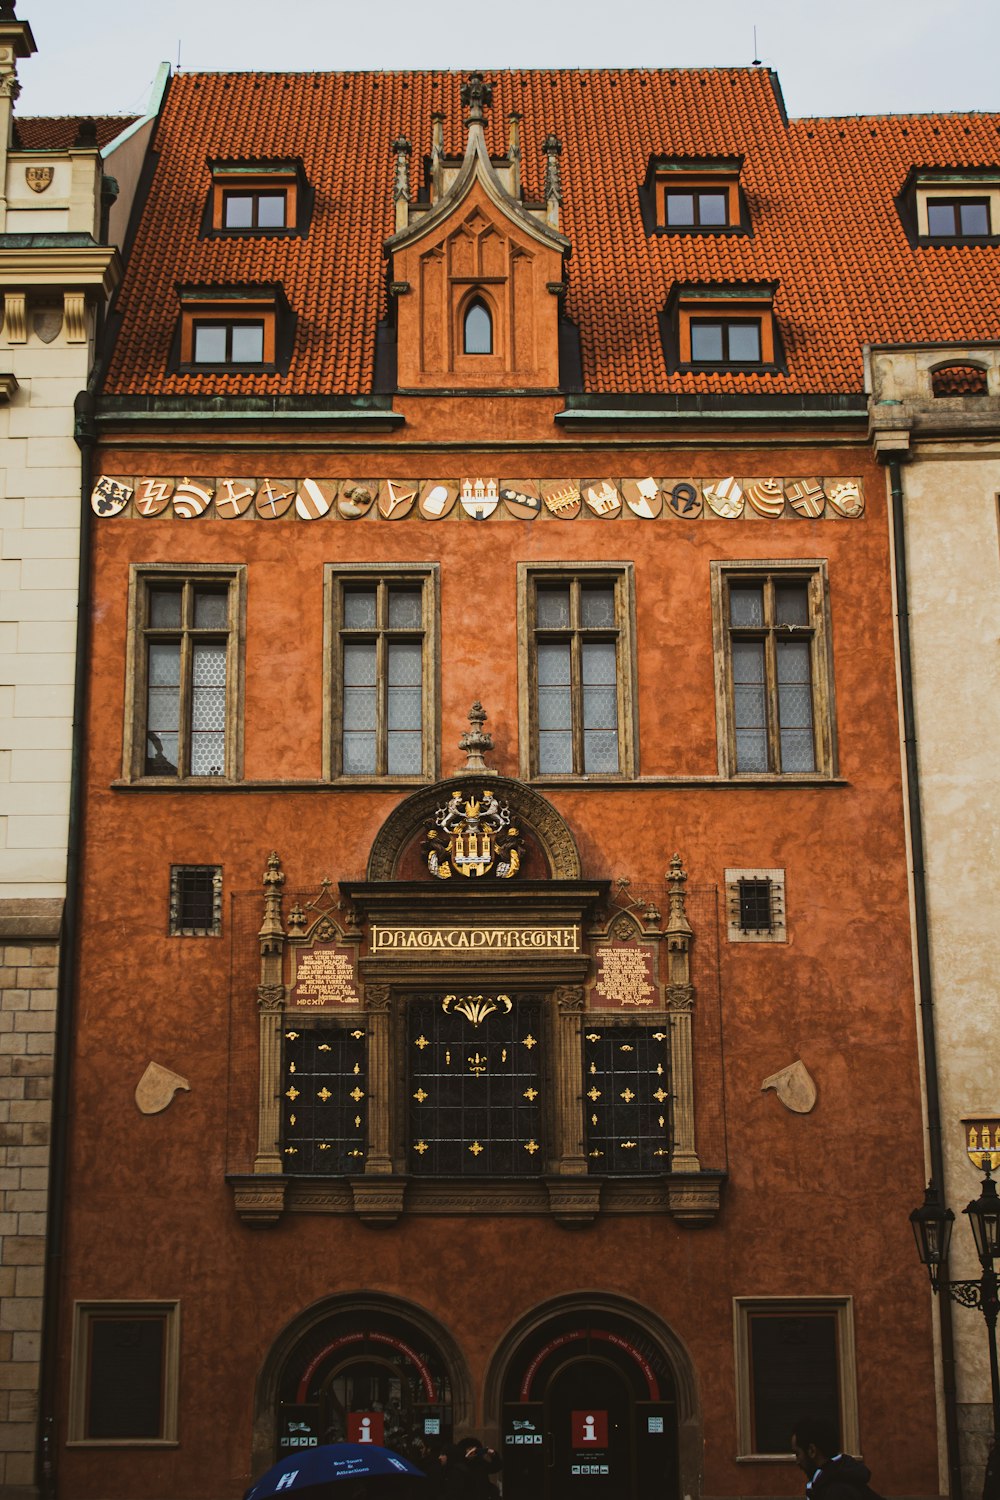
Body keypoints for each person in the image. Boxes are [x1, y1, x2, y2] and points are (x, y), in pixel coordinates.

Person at [791, 1418, 882, 1500]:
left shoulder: (836, 1492)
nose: (797, 1461)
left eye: (797, 1454)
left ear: (812, 1451)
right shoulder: (839, 1480)